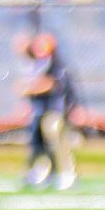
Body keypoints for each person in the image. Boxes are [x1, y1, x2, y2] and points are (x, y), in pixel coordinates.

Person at [16, 32, 75, 189]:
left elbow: (51, 84)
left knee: (55, 138)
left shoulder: (55, 65)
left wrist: (30, 88)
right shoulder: (37, 64)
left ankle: (66, 172)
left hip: (55, 110)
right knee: (38, 142)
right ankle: (44, 171)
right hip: (41, 111)